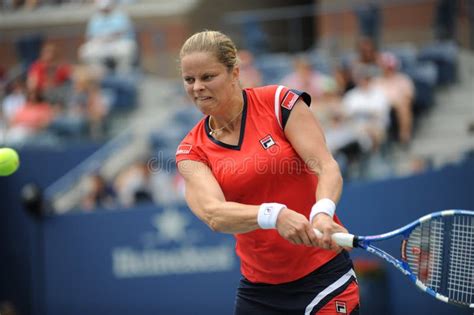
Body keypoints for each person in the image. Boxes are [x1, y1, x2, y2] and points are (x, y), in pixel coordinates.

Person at [175, 30, 359, 315]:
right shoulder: (190, 151)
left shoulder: (279, 102)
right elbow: (214, 214)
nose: (197, 87)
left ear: (235, 73)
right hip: (259, 293)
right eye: (190, 79)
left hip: (324, 278)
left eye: (208, 77)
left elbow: (325, 165)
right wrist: (275, 215)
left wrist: (322, 212)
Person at [79, 0, 137, 74]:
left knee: (126, 51)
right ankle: (100, 76)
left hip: (118, 43)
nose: (105, 10)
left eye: (106, 7)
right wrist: (99, 39)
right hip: (100, 44)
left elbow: (122, 31)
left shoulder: (120, 16)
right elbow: (90, 36)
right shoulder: (96, 18)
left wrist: (110, 37)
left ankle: (123, 76)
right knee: (86, 51)